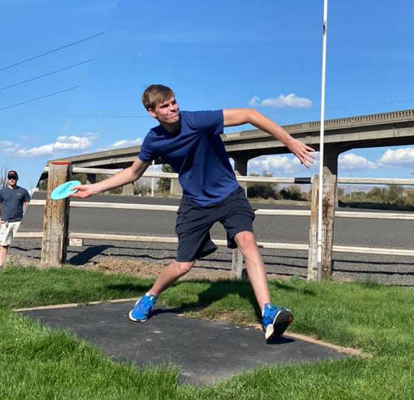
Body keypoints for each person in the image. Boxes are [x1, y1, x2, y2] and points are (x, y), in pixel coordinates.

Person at [70, 84, 314, 341]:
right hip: (195, 204)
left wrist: (289, 142)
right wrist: (93, 188)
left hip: (229, 195)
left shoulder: (198, 121)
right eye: (165, 105)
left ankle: (268, 313)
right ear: (152, 112)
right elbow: (133, 173)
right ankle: (150, 296)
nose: (173, 108)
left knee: (247, 242)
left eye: (174, 102)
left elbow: (250, 114)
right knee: (183, 264)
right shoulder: (154, 140)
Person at [0, 170, 31, 269]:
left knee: (19, 245)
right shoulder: (2, 192)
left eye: (14, 178)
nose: (12, 179)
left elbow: (28, 206)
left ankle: (19, 265)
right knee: (4, 244)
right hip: (6, 222)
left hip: (18, 222)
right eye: (10, 178)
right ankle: (0, 265)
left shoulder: (23, 191)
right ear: (7, 179)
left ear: (17, 178)